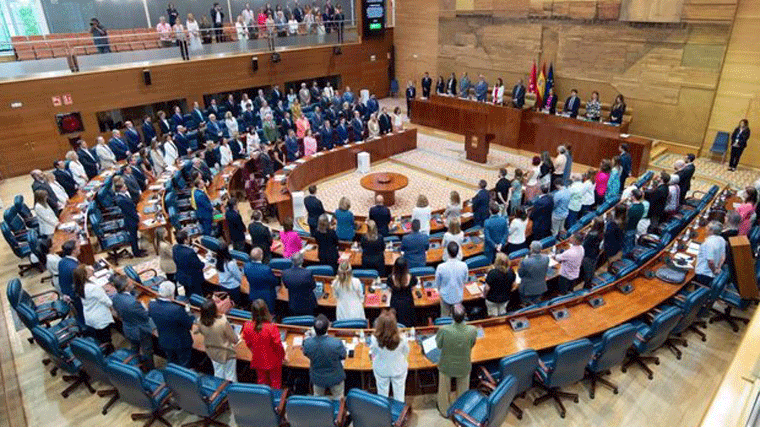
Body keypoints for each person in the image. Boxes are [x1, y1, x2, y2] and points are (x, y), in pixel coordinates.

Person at [435, 304, 477, 417]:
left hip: (446, 365)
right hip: (464, 364)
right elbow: (472, 344)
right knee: (463, 390)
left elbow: (439, 345)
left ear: (451, 316)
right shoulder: (472, 330)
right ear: (465, 316)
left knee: (444, 390)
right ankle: (461, 411)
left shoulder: (443, 330)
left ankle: (444, 410)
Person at [112, 275, 155, 369]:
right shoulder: (133, 302)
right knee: (147, 350)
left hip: (128, 328)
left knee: (134, 347)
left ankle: (135, 364)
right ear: (126, 287)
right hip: (140, 331)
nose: (132, 283)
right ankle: (150, 369)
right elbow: (145, 315)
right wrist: (145, 306)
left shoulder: (115, 297)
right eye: (130, 282)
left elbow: (117, 312)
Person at [149, 281, 194, 367]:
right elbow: (189, 325)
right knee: (184, 364)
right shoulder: (177, 309)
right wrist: (189, 313)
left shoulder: (152, 305)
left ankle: (173, 376)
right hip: (181, 343)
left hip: (164, 340)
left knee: (171, 362)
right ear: (172, 293)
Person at [242, 299, 285, 388]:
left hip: (258, 358)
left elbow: (248, 343)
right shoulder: (271, 327)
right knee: (275, 382)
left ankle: (263, 399)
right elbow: (278, 346)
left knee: (261, 381)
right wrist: (283, 356)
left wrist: (256, 352)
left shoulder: (247, 326)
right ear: (266, 311)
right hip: (274, 361)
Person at [303, 314, 347, 399]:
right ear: (327, 328)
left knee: (318, 399)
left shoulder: (307, 343)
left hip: (317, 378)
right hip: (335, 377)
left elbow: (306, 353)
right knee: (338, 397)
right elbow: (343, 356)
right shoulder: (336, 343)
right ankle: (339, 411)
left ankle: (321, 411)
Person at [370, 310, 410, 401]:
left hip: (382, 370)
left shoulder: (374, 339)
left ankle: (384, 412)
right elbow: (406, 352)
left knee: (382, 395)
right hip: (398, 369)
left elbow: (373, 353)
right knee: (399, 395)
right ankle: (399, 413)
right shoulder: (402, 338)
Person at [197, 299, 239, 381]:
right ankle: (231, 392)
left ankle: (219, 389)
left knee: (218, 373)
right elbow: (234, 339)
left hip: (212, 352)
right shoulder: (222, 322)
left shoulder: (200, 321)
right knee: (230, 374)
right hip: (226, 353)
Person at [73, 265, 114, 346]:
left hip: (90, 316)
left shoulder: (79, 285)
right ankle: (109, 352)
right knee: (106, 339)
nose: (90, 270)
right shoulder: (93, 287)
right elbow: (108, 302)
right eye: (87, 270)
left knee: (99, 337)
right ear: (85, 275)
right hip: (100, 318)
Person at [435, 242, 468, 316]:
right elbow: (465, 281)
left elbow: (437, 283)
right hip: (458, 296)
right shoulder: (464, 265)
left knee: (444, 317)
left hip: (445, 296)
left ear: (447, 252)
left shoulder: (440, 267)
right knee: (457, 318)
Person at [114, 181, 145, 257]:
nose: (126, 188)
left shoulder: (124, 196)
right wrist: (138, 218)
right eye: (124, 187)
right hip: (130, 220)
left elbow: (132, 207)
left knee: (135, 236)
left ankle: (137, 250)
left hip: (132, 218)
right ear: (120, 189)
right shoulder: (121, 199)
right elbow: (130, 211)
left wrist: (137, 212)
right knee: (133, 238)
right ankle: (136, 253)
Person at [244, 248, 279, 313]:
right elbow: (274, 282)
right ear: (261, 256)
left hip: (253, 293)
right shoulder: (266, 269)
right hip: (267, 296)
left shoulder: (246, 266)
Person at [173, 229, 205, 297]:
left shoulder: (174, 248)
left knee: (187, 292)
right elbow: (198, 265)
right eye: (188, 238)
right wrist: (204, 263)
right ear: (185, 240)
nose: (189, 239)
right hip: (193, 279)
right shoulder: (190, 252)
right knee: (197, 295)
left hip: (182, 276)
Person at [386, 257, 416, 327]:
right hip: (408, 304)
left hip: (395, 304)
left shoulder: (390, 278)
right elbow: (414, 286)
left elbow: (389, 288)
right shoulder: (412, 277)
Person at [581, 218, 604, 287]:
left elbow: (584, 245)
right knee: (591, 270)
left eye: (593, 221)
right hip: (595, 254)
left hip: (588, 255)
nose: (592, 221)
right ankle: (589, 283)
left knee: (588, 272)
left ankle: (586, 286)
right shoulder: (601, 232)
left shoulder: (592, 234)